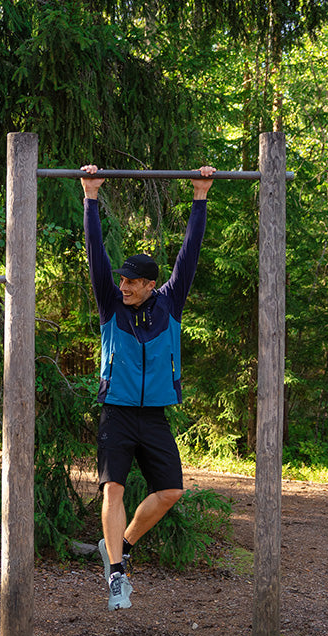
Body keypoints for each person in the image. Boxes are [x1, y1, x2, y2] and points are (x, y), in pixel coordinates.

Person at [80, 163, 215, 611]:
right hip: (116, 412)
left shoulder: (170, 303)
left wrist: (200, 196)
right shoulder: (110, 303)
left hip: (154, 414)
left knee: (171, 491)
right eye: (121, 280)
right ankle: (117, 575)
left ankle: (123, 545)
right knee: (113, 488)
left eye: (132, 282)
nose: (123, 286)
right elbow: (95, 252)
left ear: (150, 285)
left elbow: (189, 254)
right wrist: (90, 197)